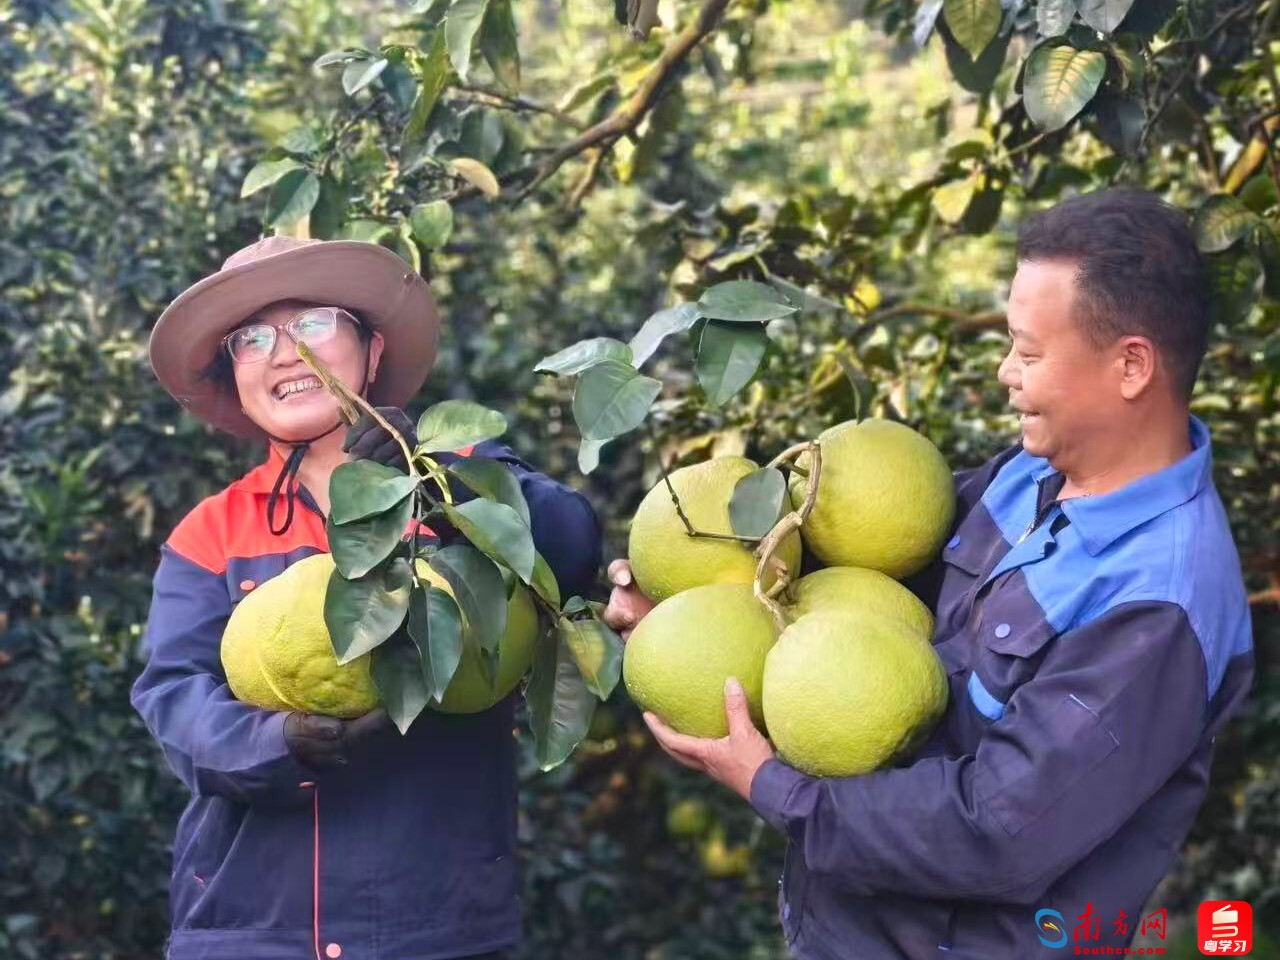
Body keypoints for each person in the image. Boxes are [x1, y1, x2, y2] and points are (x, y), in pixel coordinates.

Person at [604, 188, 1255, 958]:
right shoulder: (1028, 476)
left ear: (1131, 365)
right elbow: (868, 605)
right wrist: (699, 610)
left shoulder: (1160, 604)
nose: (1006, 372)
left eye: (1029, 353)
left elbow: (997, 830)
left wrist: (771, 784)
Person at [131, 235, 602, 960]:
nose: (287, 352)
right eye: (253, 339)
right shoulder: (211, 533)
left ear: (372, 350)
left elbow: (570, 548)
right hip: (253, 928)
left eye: (313, 323)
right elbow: (175, 699)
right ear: (236, 377)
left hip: (435, 926)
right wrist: (277, 744)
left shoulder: (460, 479)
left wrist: (437, 482)